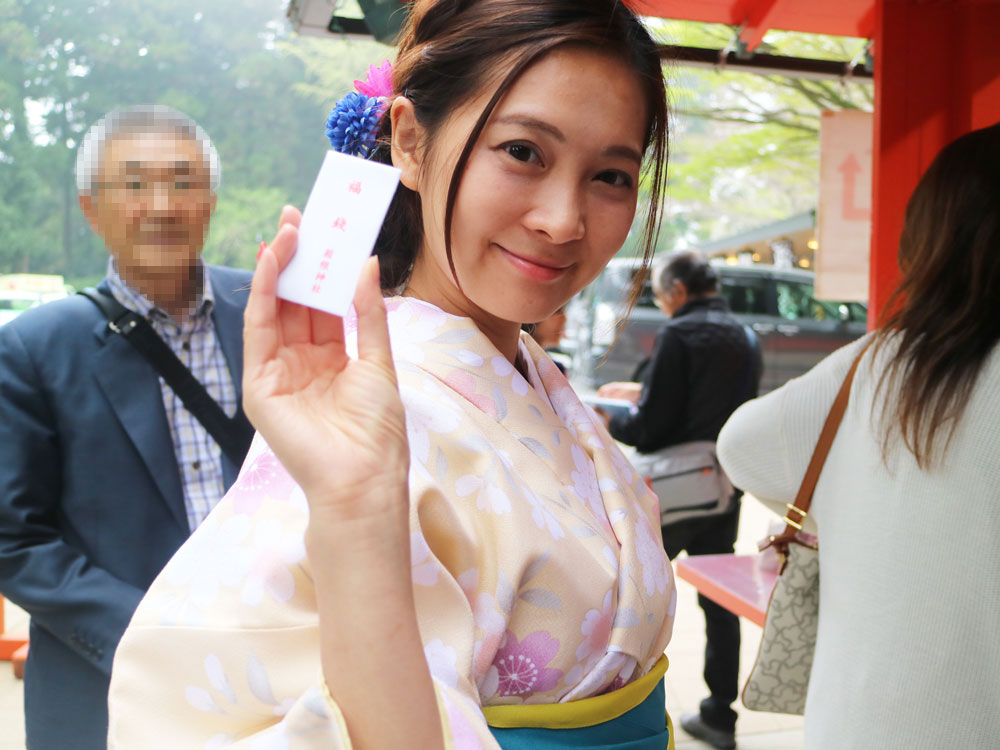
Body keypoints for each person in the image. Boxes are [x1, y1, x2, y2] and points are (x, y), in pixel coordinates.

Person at [107, 2, 680, 748]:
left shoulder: (532, 375)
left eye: (610, 175)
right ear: (411, 141)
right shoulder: (369, 404)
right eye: (523, 153)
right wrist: (354, 509)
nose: (564, 219)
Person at [716, 123, 1000, 749]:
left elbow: (740, 444)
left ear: (928, 239)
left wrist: (847, 509)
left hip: (855, 726)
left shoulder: (874, 363)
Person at [0, 105, 253, 749]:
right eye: (134, 185)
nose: (162, 205)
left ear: (211, 201)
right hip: (110, 686)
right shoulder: (32, 349)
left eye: (183, 181)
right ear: (91, 208)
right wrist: (157, 631)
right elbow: (13, 539)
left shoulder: (270, 310)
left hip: (274, 672)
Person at [599, 251, 762, 750]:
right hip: (722, 489)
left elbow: (652, 427)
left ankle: (613, 707)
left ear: (678, 293)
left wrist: (611, 418)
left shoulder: (678, 334)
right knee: (718, 601)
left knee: (634, 595)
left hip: (670, 494)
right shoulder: (745, 335)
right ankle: (719, 717)